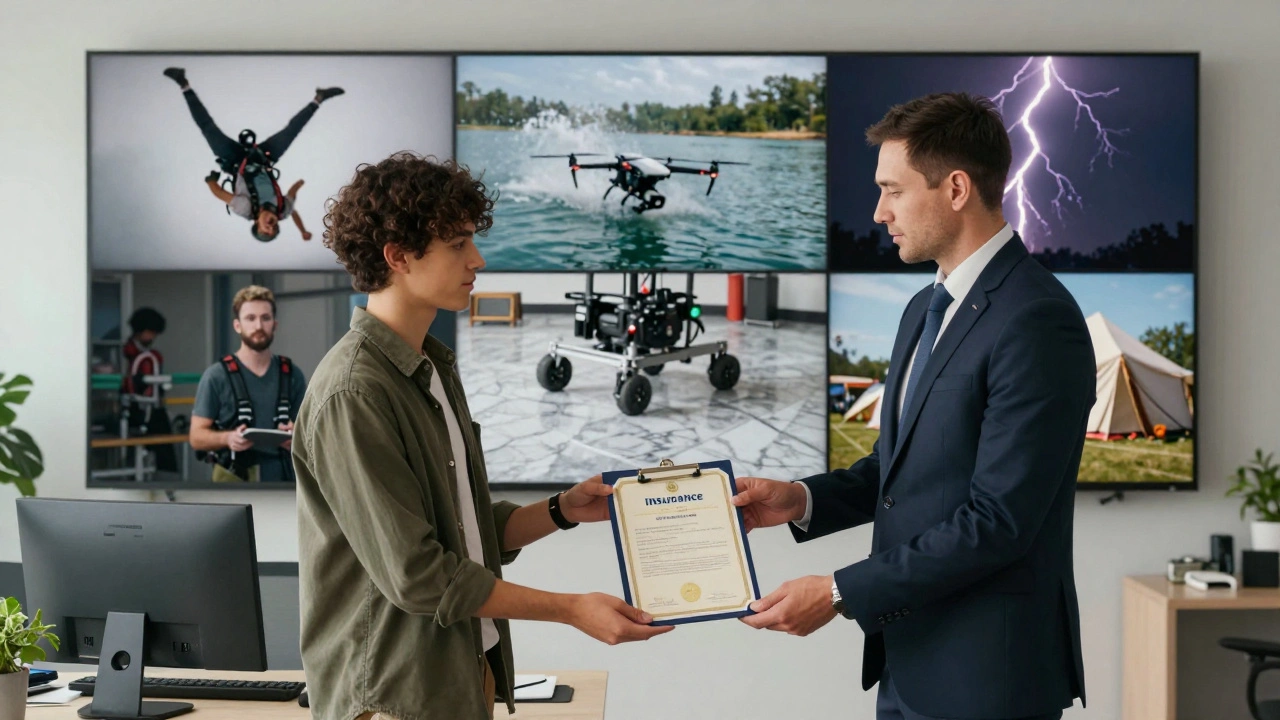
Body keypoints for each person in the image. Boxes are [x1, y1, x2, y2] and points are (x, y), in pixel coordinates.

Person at [732, 93, 1096, 720]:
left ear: (956, 188)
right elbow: (899, 470)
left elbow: (1000, 520)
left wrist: (841, 591)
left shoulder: (1037, 320)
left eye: (893, 190)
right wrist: (803, 499)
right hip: (909, 662)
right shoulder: (921, 312)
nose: (879, 212)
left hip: (989, 681)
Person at [293, 152, 671, 720]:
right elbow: (419, 575)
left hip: (462, 676)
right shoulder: (355, 393)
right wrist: (571, 609)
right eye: (458, 244)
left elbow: (464, 533)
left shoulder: (431, 367)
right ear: (398, 257)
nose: (478, 258)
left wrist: (563, 509)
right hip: (395, 697)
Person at [161, 66, 344, 242]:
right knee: (292, 131)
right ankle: (319, 97)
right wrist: (302, 222)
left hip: (234, 160)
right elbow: (293, 204)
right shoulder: (283, 211)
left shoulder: (245, 209)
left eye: (266, 229)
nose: (271, 227)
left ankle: (183, 83)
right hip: (263, 158)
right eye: (274, 230)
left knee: (208, 128)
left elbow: (219, 194)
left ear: (257, 223)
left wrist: (211, 181)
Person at [189, 285, 306, 483]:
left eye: (265, 318)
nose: (258, 326)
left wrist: (296, 436)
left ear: (274, 324)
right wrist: (227, 439)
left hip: (283, 479)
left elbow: (310, 430)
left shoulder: (292, 374)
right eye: (250, 318)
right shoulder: (216, 376)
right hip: (233, 478)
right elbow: (196, 437)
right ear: (238, 325)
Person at [120, 306, 178, 472]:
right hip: (136, 408)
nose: (153, 337)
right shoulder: (129, 352)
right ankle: (167, 474)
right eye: (151, 332)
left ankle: (166, 473)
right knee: (163, 439)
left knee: (164, 440)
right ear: (141, 330)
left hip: (151, 407)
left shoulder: (148, 354)